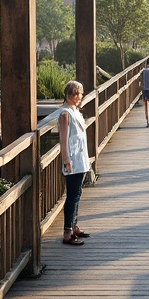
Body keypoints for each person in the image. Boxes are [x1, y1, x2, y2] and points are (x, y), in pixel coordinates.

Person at [58, 80, 92, 245]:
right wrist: (66, 160)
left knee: (78, 193)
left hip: (80, 158)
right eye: (76, 94)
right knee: (72, 195)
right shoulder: (65, 113)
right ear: (68, 95)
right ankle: (67, 232)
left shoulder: (75, 111)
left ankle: (74, 225)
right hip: (72, 159)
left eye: (80, 94)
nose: (79, 97)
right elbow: (63, 140)